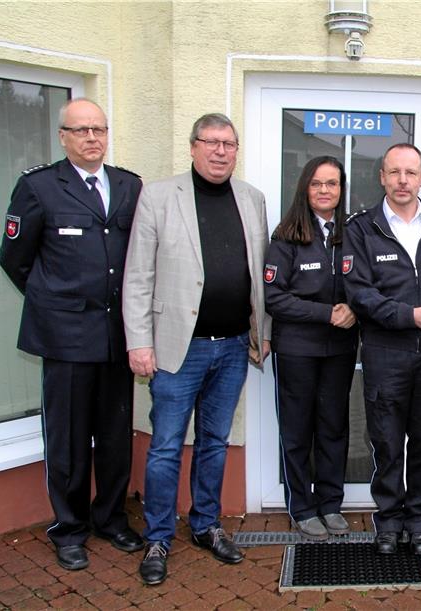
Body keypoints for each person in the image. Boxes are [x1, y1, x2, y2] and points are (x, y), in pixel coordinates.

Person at [122, 113, 270, 585]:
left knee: (214, 443)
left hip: (231, 348)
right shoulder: (160, 196)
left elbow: (259, 273)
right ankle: (159, 536)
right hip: (174, 349)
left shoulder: (252, 199)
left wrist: (260, 330)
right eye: (211, 142)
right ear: (193, 147)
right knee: (166, 447)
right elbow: (138, 275)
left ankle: (205, 524)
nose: (220, 151)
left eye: (228, 143)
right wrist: (139, 342)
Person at [0, 98, 144, 571]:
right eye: (80, 130)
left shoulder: (128, 185)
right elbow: (15, 260)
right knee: (68, 439)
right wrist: (54, 301)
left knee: (116, 434)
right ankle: (69, 527)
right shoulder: (39, 187)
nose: (91, 138)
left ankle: (110, 518)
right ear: (63, 137)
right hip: (65, 337)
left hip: (116, 336)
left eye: (98, 129)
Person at [343, 143, 421, 556]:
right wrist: (410, 315)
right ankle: (389, 522)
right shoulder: (361, 228)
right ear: (382, 178)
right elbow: (360, 295)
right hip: (385, 352)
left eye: (410, 173)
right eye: (394, 172)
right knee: (388, 443)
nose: (402, 181)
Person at [264, 156, 359, 540]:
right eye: (317, 183)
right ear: (306, 187)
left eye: (332, 184)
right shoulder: (286, 235)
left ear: (341, 189)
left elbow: (365, 284)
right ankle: (302, 506)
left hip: (339, 349)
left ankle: (331, 503)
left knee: (334, 427)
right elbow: (274, 296)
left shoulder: (352, 234)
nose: (325, 190)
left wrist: (355, 309)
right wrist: (325, 313)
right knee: (298, 429)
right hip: (297, 350)